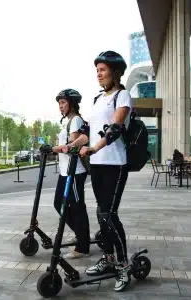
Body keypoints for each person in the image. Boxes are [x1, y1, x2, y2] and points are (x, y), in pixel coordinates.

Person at [76, 50, 133, 291]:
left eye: (102, 69)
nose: (98, 74)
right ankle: (108, 258)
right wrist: (69, 146)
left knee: (110, 214)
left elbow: (115, 128)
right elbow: (89, 131)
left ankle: (123, 266)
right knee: (101, 214)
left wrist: (94, 148)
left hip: (115, 164)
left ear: (115, 72)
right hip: (98, 166)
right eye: (97, 70)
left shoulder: (123, 95)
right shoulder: (98, 99)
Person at [51, 88, 91, 259]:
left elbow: (73, 147)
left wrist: (53, 149)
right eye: (59, 103)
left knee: (77, 207)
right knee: (58, 203)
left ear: (72, 104)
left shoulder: (75, 121)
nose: (60, 106)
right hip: (66, 172)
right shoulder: (68, 121)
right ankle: (82, 235)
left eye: (63, 102)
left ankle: (82, 246)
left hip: (75, 172)